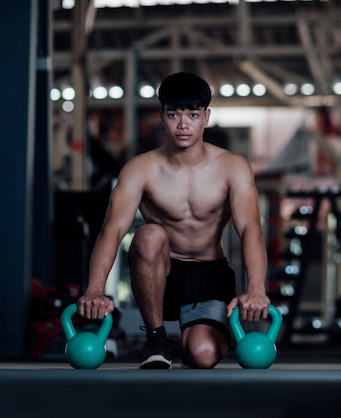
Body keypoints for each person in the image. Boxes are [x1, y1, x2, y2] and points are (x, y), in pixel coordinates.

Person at [77, 72, 270, 369]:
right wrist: (94, 289)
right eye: (174, 115)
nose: (183, 124)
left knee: (202, 355)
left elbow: (250, 229)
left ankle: (202, 332)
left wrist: (256, 288)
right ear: (161, 117)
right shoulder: (140, 168)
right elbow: (112, 231)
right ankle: (156, 340)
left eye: (192, 114)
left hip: (209, 276)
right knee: (149, 235)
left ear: (206, 117)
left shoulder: (232, 167)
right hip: (161, 274)